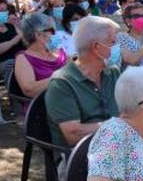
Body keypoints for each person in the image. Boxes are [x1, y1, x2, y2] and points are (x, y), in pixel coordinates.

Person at [45, 16, 122, 149]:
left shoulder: (113, 72)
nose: (118, 47)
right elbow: (73, 135)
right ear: (97, 47)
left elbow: (128, 112)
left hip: (117, 148)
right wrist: (118, 127)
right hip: (81, 159)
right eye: (113, 42)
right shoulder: (62, 83)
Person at [13, 13, 69, 102]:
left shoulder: (58, 51)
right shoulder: (23, 58)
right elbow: (29, 90)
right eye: (52, 31)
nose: (55, 33)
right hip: (45, 107)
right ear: (38, 35)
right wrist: (61, 77)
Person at [116, 1, 143, 69]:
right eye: (137, 16)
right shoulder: (121, 37)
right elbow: (132, 60)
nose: (142, 19)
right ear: (128, 21)